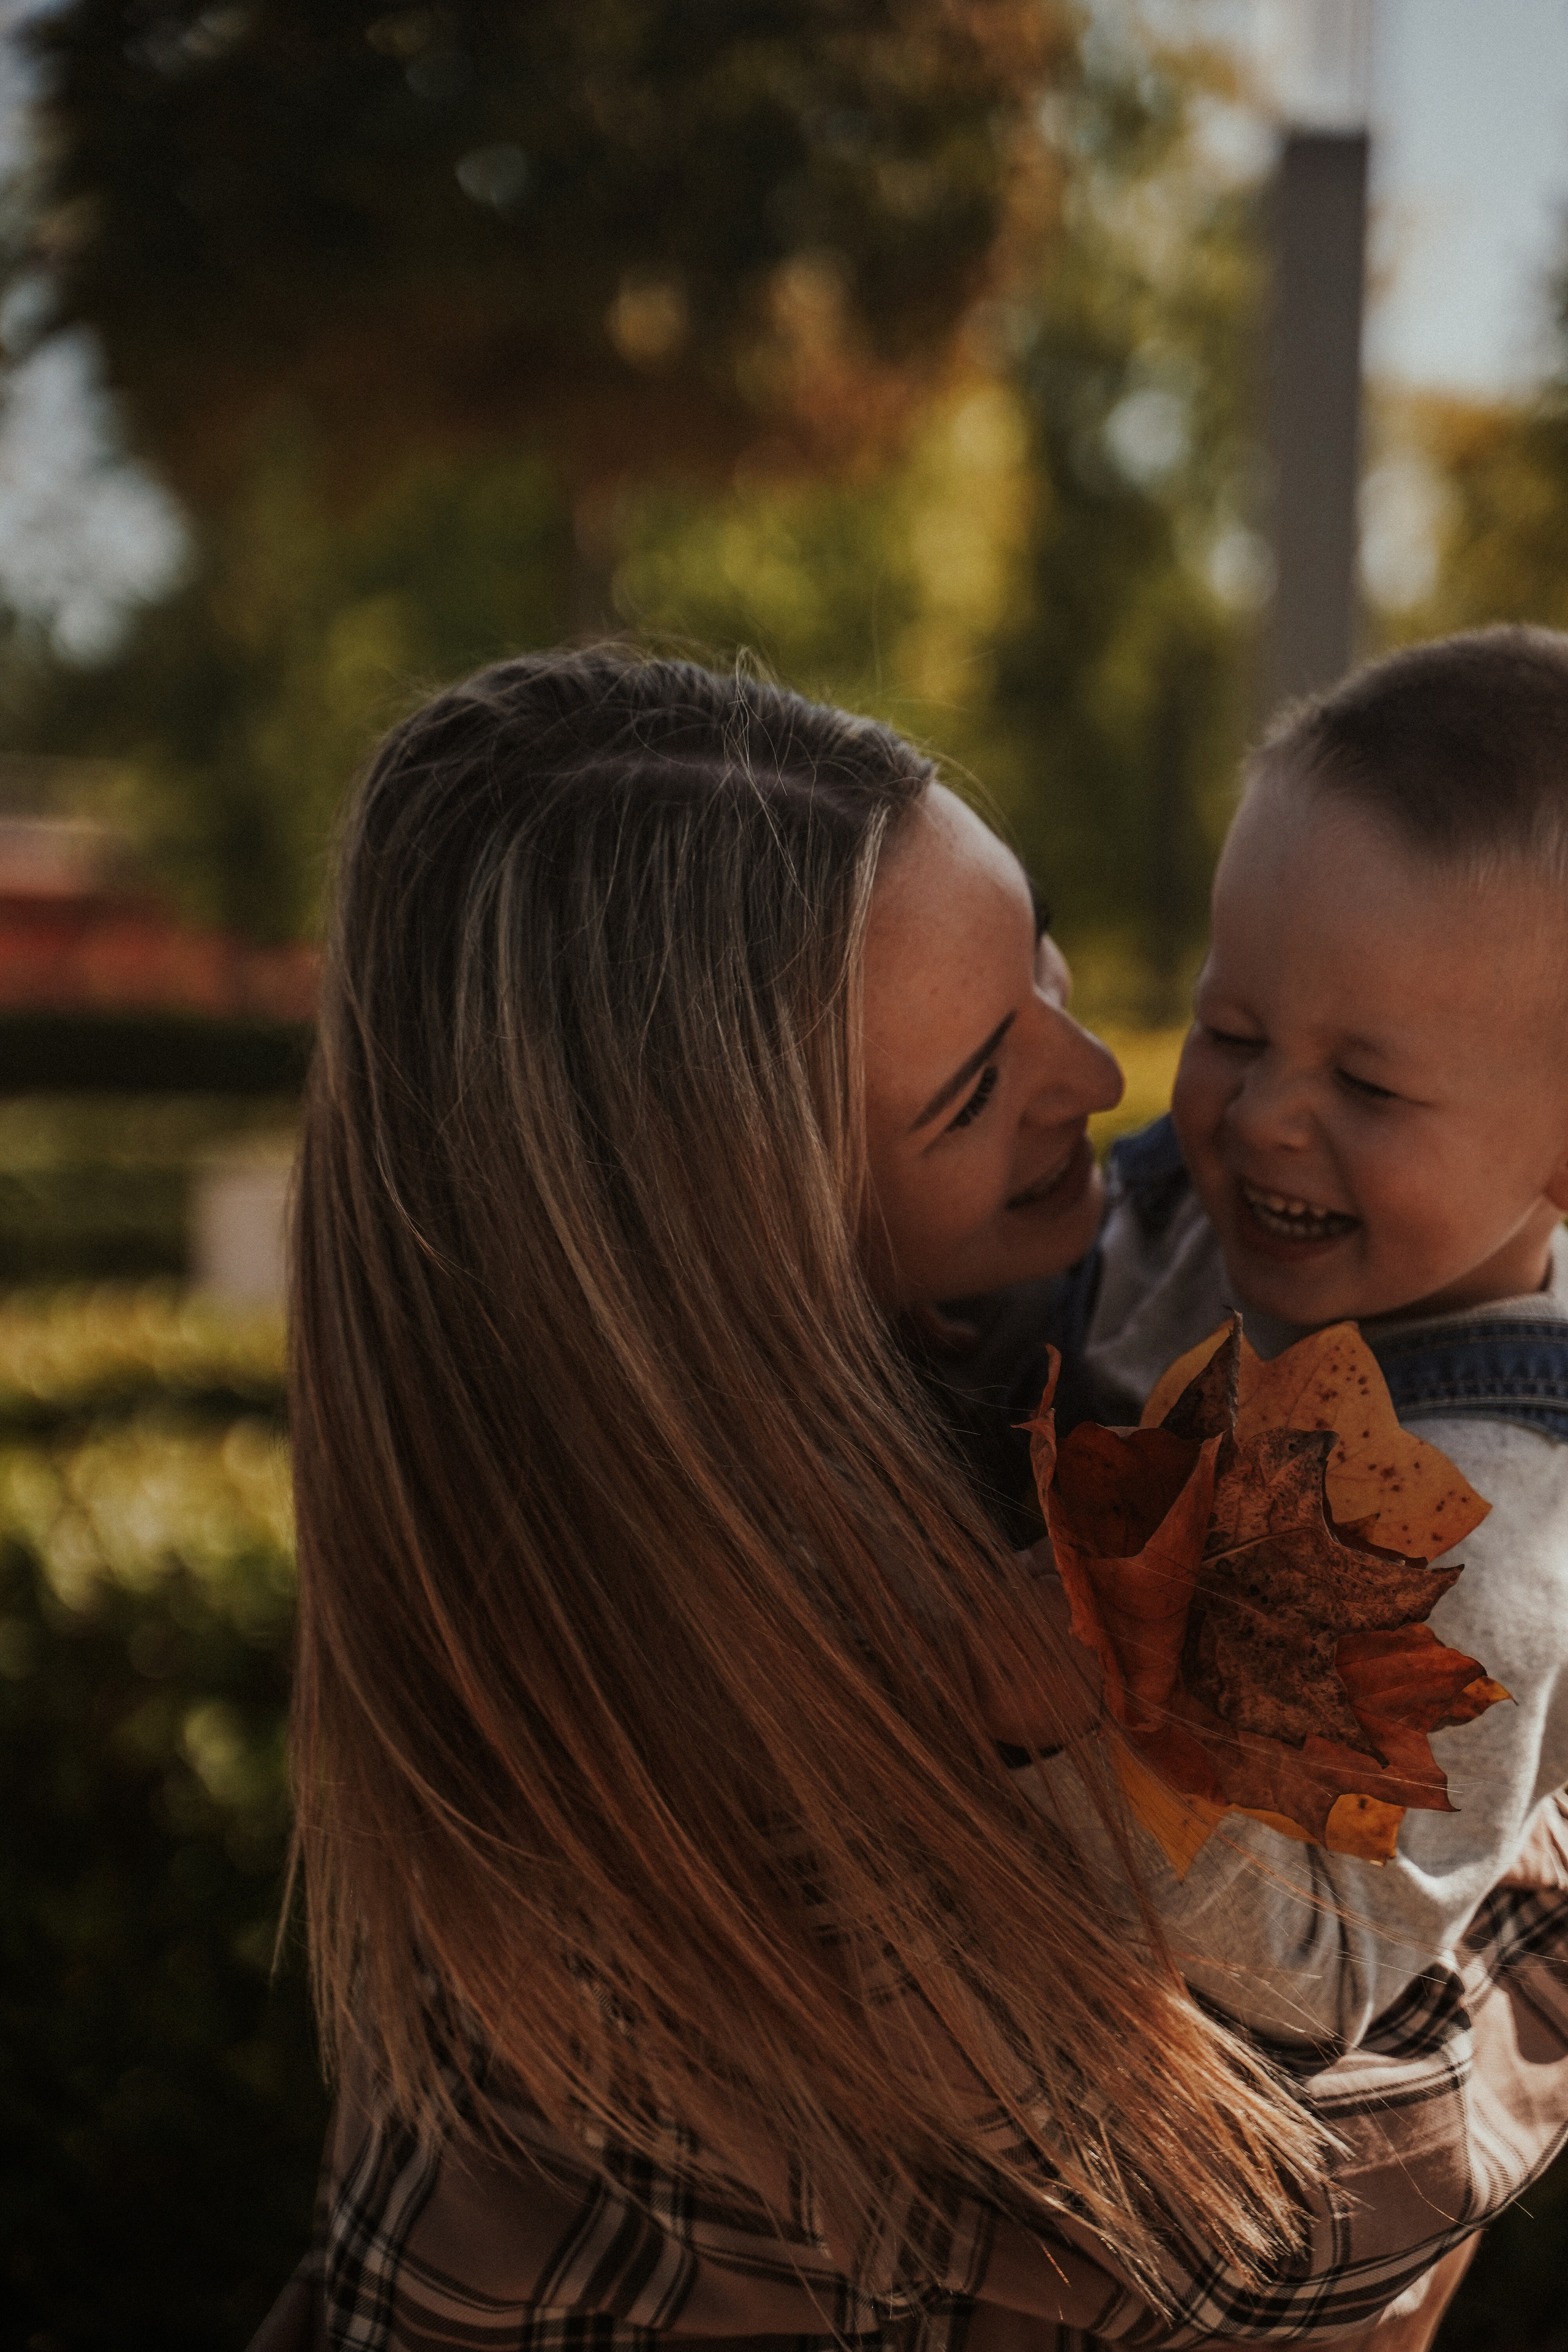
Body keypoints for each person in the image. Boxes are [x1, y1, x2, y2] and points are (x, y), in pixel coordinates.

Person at [255, 649, 1568, 2352]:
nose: (1109, 1080)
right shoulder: (754, 1665)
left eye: (1048, 970)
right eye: (974, 1088)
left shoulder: (850, 1371)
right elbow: (1261, 2220)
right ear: (748, 1234)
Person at [1038, 625, 1568, 2058]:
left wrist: (1059, 1716)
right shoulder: (1206, 1215)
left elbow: (1321, 1971)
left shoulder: (1484, 1537)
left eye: (1366, 1082)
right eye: (1230, 1027)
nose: (1263, 1112)